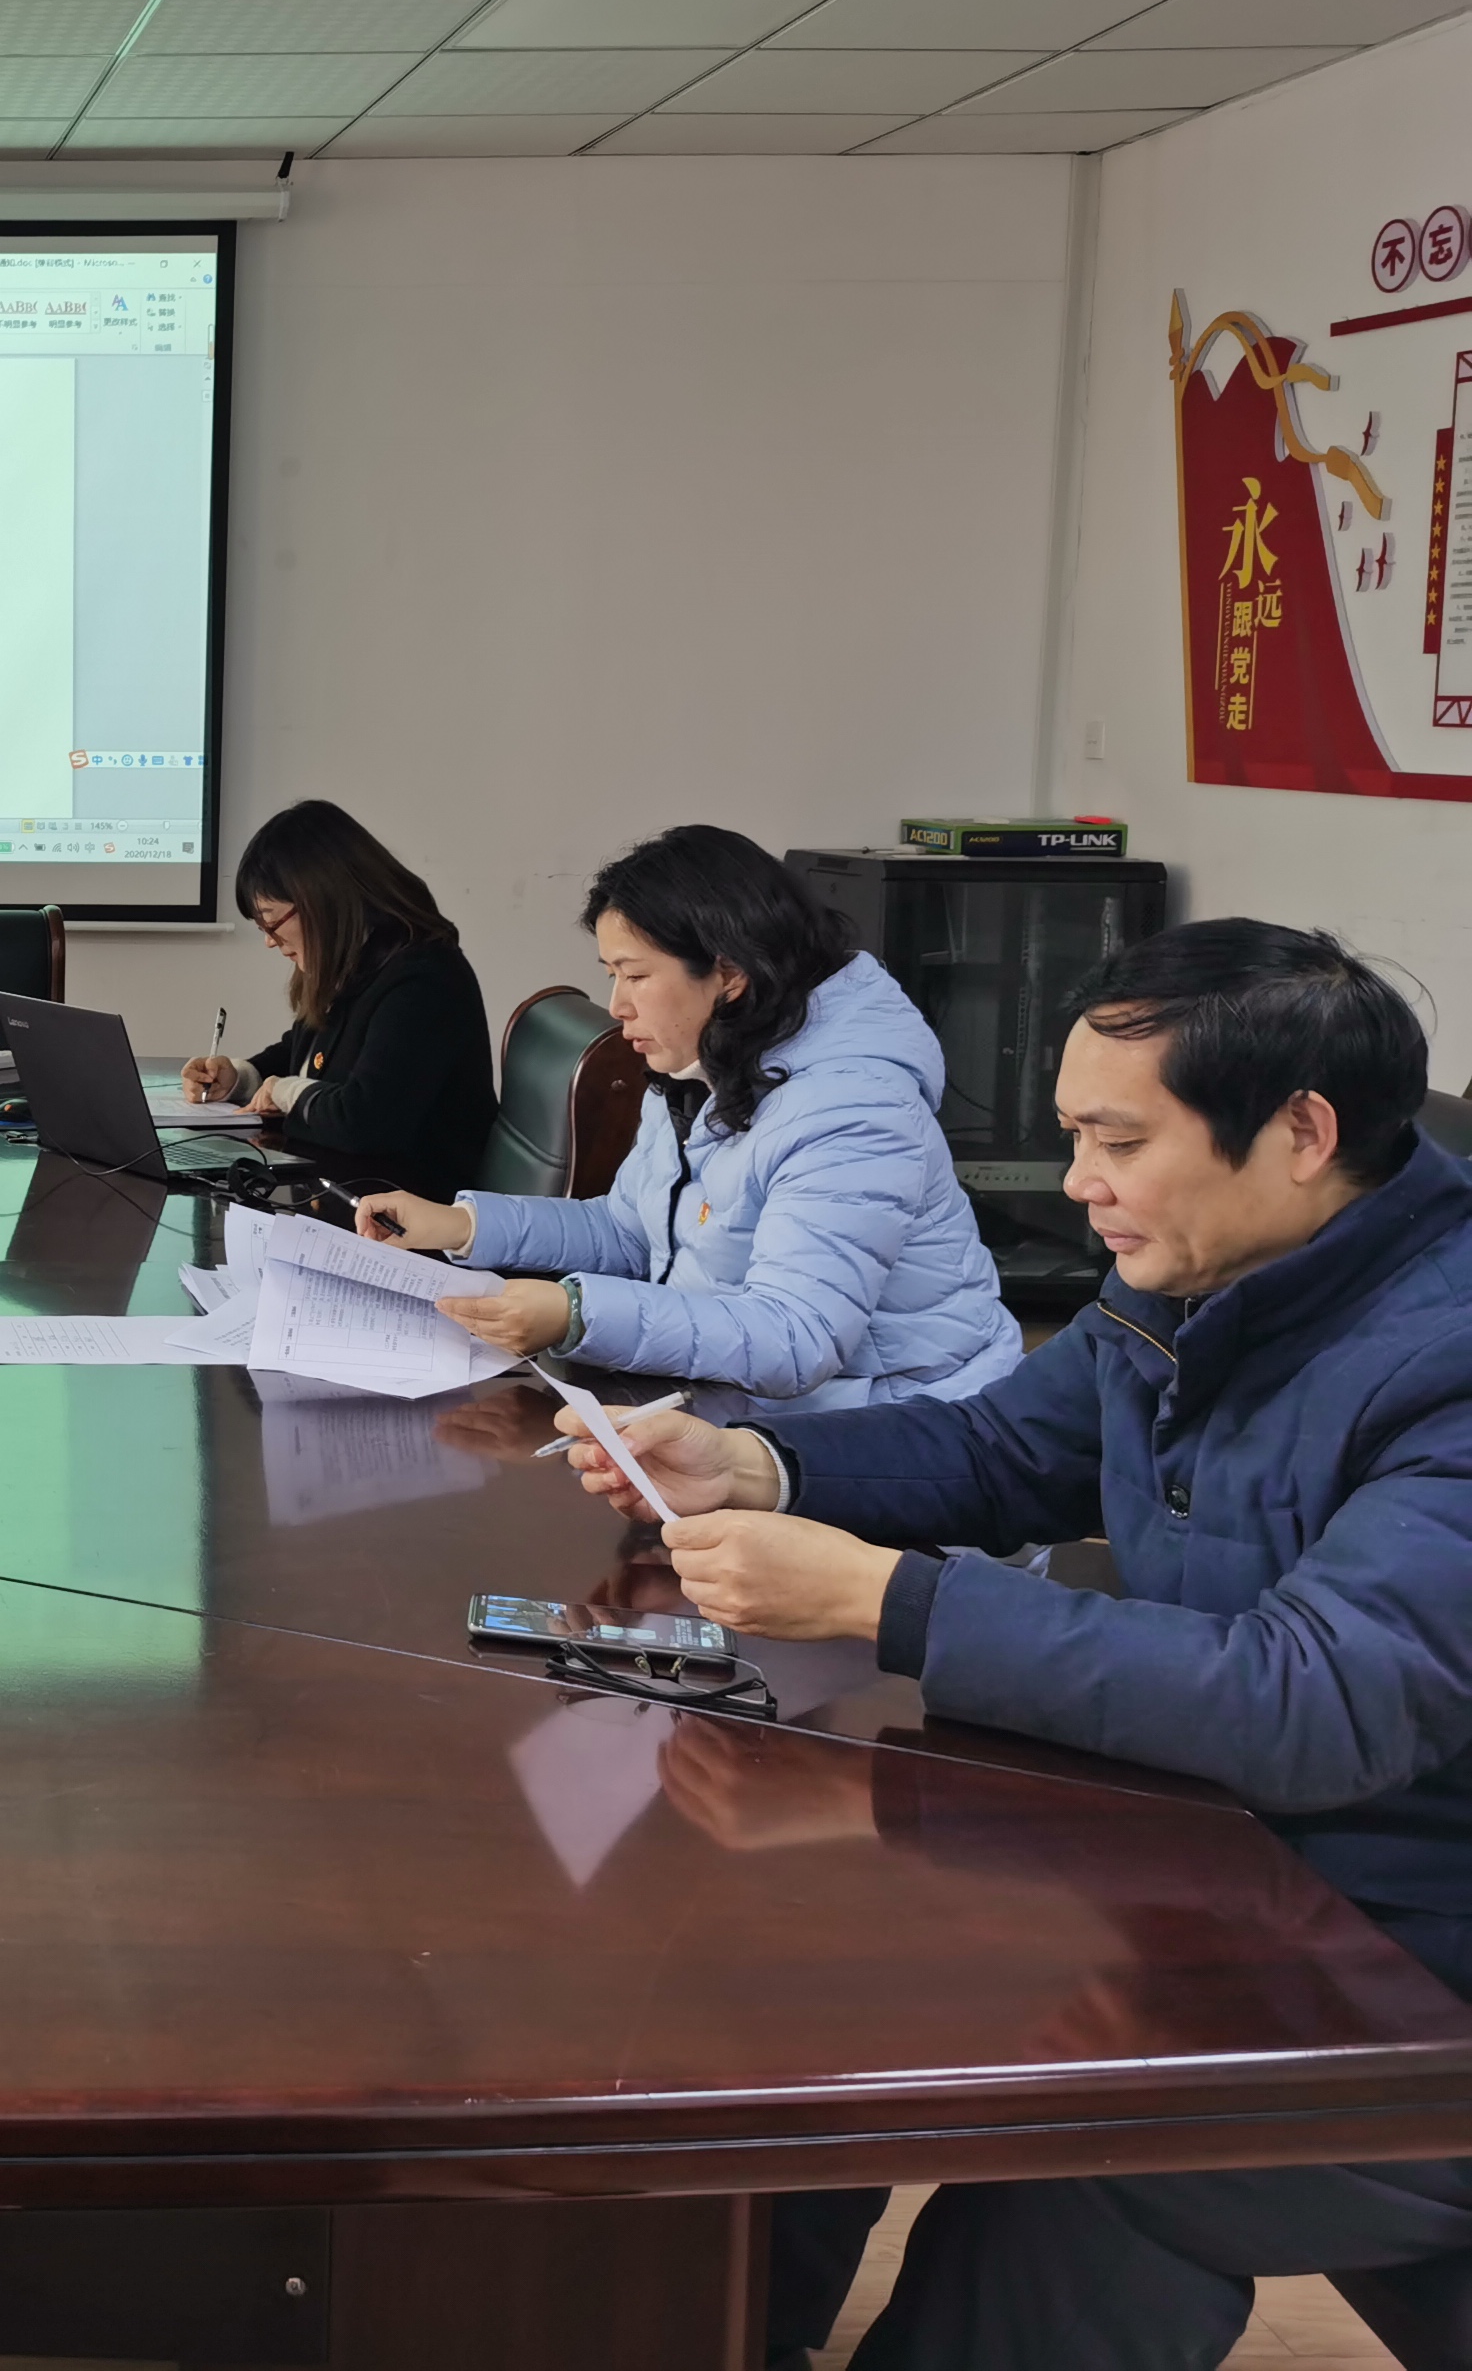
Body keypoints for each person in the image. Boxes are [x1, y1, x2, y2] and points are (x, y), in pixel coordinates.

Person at [555, 920, 1472, 2371]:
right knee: (801, 1958)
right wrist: (761, 1466)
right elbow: (1006, 1451)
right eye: (1073, 1133)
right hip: (1220, 1855)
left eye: (1119, 1140)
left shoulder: (1446, 1355)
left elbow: (1318, 1701)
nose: (1078, 1182)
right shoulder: (1194, 1266)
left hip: (1405, 1949)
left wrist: (887, 1600)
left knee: (1104, 2155)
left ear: (1302, 1134)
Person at [355, 824, 1021, 1410]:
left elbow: (796, 1339)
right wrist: (463, 1225)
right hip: (752, 1416)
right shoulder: (705, 1066)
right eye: (611, 975)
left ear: (729, 973)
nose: (617, 1005)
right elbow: (630, 1231)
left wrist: (578, 1313)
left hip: (898, 1432)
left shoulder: (850, 1110)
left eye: (636, 975)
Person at [176, 799, 498, 1202]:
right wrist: (242, 1078)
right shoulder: (359, 961)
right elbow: (304, 1052)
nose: (269, 940)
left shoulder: (424, 978)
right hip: (349, 1190)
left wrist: (285, 1093)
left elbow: (365, 1121)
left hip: (409, 1208)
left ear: (319, 900)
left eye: (270, 921)